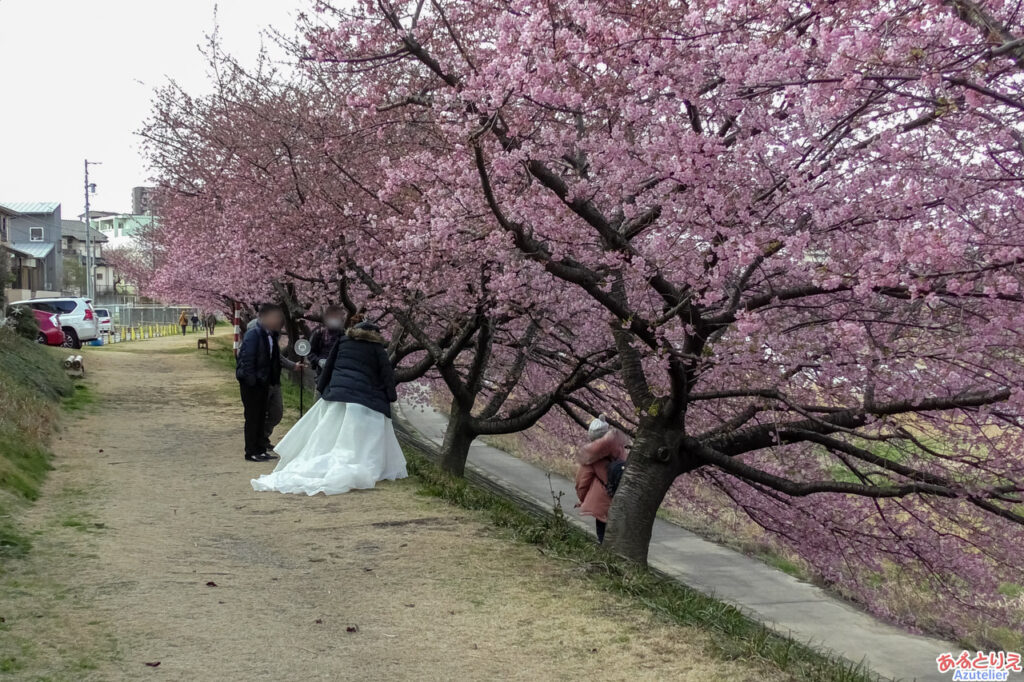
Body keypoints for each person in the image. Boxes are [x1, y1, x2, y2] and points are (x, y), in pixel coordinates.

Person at [251, 320, 407, 495]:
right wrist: (391, 397)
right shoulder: (377, 348)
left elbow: (329, 366)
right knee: (362, 436)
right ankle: (362, 463)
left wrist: (322, 388)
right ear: (375, 334)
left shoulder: (342, 341)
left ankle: (325, 462)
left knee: (330, 434)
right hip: (364, 399)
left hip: (337, 396)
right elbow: (386, 375)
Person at [235, 304, 291, 462]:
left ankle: (260, 449)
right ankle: (251, 451)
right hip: (252, 384)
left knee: (260, 417)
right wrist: (253, 381)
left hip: (265, 382)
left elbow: (273, 358)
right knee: (253, 417)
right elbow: (247, 360)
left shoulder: (270, 335)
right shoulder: (254, 334)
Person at [575, 415, 628, 543]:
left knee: (604, 536)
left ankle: (606, 558)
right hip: (623, 498)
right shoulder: (620, 448)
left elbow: (582, 483)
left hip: (603, 503)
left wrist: (582, 499)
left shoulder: (590, 458)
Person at [307, 305, 348, 382]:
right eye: (332, 317)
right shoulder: (319, 333)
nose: (335, 319)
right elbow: (310, 353)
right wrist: (319, 361)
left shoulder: (344, 334)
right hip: (321, 373)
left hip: (339, 373)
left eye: (337, 317)